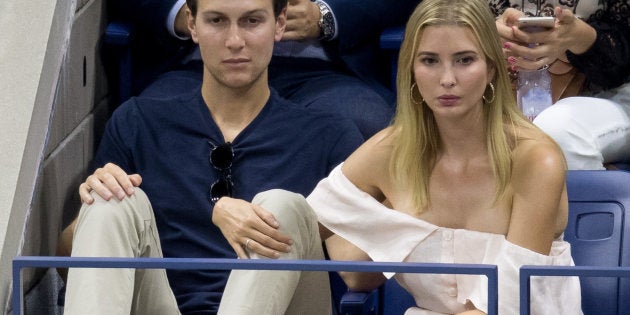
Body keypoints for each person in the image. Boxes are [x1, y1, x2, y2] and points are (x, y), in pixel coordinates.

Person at [57, 0, 363, 313]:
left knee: (283, 206)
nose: (234, 41)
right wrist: (94, 204)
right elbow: (69, 264)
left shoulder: (329, 134)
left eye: (252, 21)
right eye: (216, 21)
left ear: (280, 24)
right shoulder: (138, 122)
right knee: (112, 200)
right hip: (162, 304)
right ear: (192, 24)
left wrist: (303, 221)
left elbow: (358, 274)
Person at [306, 0, 583, 313]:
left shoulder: (536, 159)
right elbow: (295, 231)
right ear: (412, 69)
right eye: (430, 61)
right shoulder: (389, 151)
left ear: (492, 67)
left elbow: (506, 304)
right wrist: (237, 212)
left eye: (464, 60)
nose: (447, 79)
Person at [109, 0, 421, 138]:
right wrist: (182, 14)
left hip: (322, 72)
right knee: (149, 124)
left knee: (373, 130)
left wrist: (327, 15)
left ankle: (344, 267)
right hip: (199, 68)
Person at [493, 0, 630, 170]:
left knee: (557, 133)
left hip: (611, 93)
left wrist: (585, 39)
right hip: (493, 89)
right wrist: (484, 33)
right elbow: (454, 21)